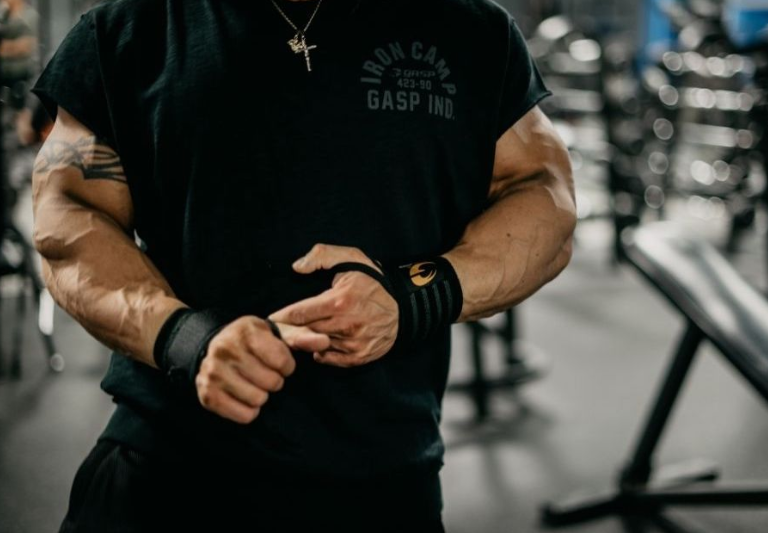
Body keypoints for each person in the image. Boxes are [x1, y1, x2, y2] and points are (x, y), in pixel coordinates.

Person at [30, 0, 576, 531]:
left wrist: (412, 298)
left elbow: (543, 193)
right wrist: (184, 337)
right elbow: (69, 217)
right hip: (164, 468)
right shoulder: (132, 29)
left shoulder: (470, 31)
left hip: (381, 477)